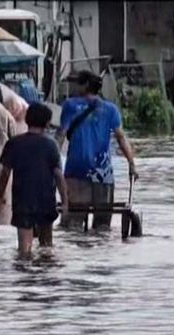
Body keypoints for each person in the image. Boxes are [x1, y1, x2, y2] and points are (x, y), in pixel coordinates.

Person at [56, 70, 138, 230]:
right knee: (102, 227)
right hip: (103, 172)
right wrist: (131, 163)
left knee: (73, 224)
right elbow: (121, 138)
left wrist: (51, 161)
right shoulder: (110, 109)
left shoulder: (70, 106)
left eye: (78, 82)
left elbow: (60, 135)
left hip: (76, 171)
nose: (75, 86)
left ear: (86, 85)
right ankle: (99, 253)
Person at [0, 103, 68, 258]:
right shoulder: (51, 145)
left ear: (27, 120)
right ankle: (44, 273)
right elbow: (58, 176)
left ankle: (25, 275)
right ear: (47, 123)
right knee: (47, 247)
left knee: (24, 249)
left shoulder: (14, 144)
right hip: (45, 200)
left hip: (22, 201)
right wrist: (64, 202)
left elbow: (5, 173)